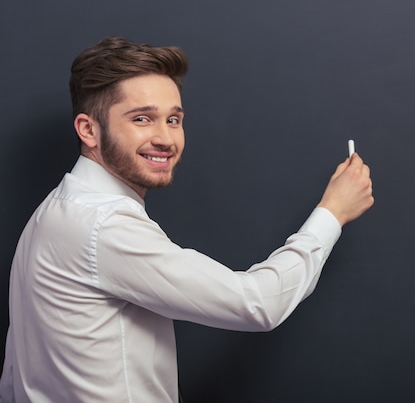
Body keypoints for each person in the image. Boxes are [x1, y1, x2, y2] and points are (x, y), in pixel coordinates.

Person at [0, 36, 374, 402]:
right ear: (89, 130)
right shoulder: (103, 225)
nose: (165, 138)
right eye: (142, 118)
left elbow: (17, 374)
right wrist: (333, 212)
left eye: (174, 119)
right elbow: (257, 304)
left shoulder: (56, 209)